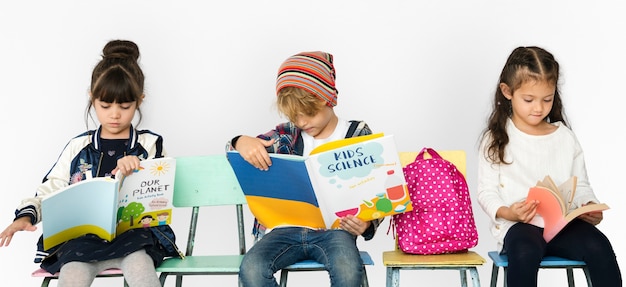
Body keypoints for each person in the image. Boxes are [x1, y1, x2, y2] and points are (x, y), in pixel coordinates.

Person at [0, 39, 175, 287]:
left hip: (134, 238)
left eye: (125, 106)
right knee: (72, 274)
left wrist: (140, 168)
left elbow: (162, 192)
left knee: (141, 267)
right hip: (81, 241)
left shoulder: (150, 144)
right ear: (92, 99)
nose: (114, 114)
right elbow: (51, 188)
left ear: (139, 100)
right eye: (105, 106)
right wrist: (26, 216)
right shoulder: (77, 147)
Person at [227, 51, 381, 287]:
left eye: (308, 113)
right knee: (252, 268)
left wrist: (367, 224)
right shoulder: (286, 134)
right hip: (283, 230)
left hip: (335, 232)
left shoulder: (357, 134)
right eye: (294, 116)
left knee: (348, 270)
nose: (302, 122)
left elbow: (375, 188)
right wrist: (240, 141)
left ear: (329, 98)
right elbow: (238, 151)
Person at [477, 46, 622, 287]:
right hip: (519, 226)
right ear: (507, 91)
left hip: (561, 225)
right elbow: (486, 192)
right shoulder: (497, 138)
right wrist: (508, 212)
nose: (538, 108)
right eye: (529, 99)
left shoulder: (564, 137)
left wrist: (588, 206)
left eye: (547, 99)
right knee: (524, 253)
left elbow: (580, 184)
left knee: (599, 246)